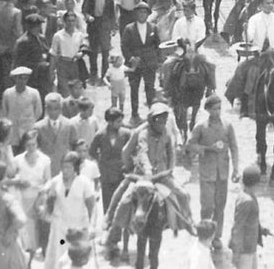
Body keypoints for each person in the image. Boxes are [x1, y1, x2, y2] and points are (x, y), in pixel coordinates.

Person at [103, 104, 191, 261]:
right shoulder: (143, 134)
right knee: (123, 198)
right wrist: (147, 171)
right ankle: (112, 224)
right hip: (143, 175)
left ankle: (187, 221)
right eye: (159, 120)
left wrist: (170, 169)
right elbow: (142, 153)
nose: (162, 123)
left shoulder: (167, 133)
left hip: (161, 175)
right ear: (152, 120)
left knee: (183, 194)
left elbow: (171, 153)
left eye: (164, 120)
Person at [187, 95, 240, 250]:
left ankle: (216, 236)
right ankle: (204, 235)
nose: (217, 112)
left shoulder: (228, 126)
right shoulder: (201, 127)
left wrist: (236, 169)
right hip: (207, 173)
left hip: (222, 173)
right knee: (207, 206)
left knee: (220, 206)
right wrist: (208, 148)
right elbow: (190, 145)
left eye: (219, 108)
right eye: (214, 109)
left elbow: (234, 147)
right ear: (208, 110)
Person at [41, 151, 96, 269]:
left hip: (78, 230)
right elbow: (46, 206)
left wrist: (91, 226)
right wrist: (49, 199)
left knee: (78, 259)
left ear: (75, 168)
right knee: (59, 258)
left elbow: (92, 207)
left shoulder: (84, 182)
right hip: (59, 229)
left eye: (68, 167)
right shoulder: (55, 181)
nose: (64, 170)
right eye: (63, 167)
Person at [12, 130, 51, 262]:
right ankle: (26, 262)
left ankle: (35, 258)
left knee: (37, 233)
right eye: (28, 144)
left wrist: (43, 192)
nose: (31, 147)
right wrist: (19, 182)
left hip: (38, 199)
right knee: (25, 234)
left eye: (33, 144)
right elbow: (13, 179)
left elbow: (48, 180)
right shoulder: (17, 160)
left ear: (37, 144)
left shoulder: (45, 159)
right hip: (22, 199)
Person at [121, 2, 161, 122]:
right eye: (140, 12)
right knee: (134, 89)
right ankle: (134, 114)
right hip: (135, 64)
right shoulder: (129, 28)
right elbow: (124, 46)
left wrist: (157, 60)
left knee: (150, 89)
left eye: (144, 12)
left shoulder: (153, 28)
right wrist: (131, 58)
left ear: (148, 14)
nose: (142, 15)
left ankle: (152, 114)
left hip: (149, 63)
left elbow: (157, 45)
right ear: (135, 14)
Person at [89, 108, 132, 213]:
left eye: (121, 121)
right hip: (107, 175)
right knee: (108, 204)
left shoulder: (126, 134)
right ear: (110, 122)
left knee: (122, 202)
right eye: (118, 122)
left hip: (122, 173)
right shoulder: (100, 135)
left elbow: (133, 150)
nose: (121, 124)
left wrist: (127, 163)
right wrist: (102, 161)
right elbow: (92, 151)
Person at [230, 165, 272, 269]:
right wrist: (236, 252)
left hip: (251, 247)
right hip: (244, 250)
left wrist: (264, 230)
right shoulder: (246, 201)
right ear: (255, 184)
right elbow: (238, 227)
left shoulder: (249, 196)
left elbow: (252, 221)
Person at [1, 68, 43, 154]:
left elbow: (38, 111)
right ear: (15, 79)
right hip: (13, 131)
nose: (22, 81)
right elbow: (5, 111)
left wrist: (30, 121)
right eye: (20, 78)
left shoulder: (34, 93)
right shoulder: (8, 93)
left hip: (28, 129)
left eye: (25, 78)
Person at [15, 14, 53, 95]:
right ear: (28, 27)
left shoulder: (42, 38)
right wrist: (38, 65)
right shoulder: (23, 41)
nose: (37, 28)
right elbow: (20, 62)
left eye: (38, 26)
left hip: (43, 74)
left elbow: (47, 51)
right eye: (33, 26)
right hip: (32, 76)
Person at [49, 12, 85, 95]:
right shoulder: (58, 36)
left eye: (73, 21)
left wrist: (81, 54)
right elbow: (53, 53)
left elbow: (84, 48)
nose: (71, 23)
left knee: (76, 91)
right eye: (69, 21)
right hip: (63, 65)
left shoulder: (79, 35)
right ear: (64, 22)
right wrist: (51, 70)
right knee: (65, 91)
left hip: (75, 64)